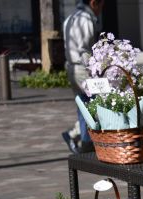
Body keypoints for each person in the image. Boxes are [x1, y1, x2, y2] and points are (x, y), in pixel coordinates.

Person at [62, 0, 104, 154]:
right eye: (101, 5)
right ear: (94, 3)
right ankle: (85, 141)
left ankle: (77, 136)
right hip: (82, 68)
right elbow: (84, 50)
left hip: (72, 66)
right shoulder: (85, 20)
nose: (101, 9)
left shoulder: (71, 17)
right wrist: (95, 69)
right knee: (94, 105)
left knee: (83, 105)